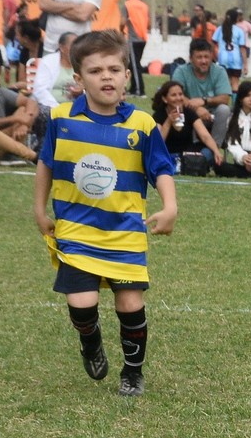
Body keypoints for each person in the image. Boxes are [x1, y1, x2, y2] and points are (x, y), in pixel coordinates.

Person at [34, 30, 176, 398]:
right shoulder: (61, 119)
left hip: (125, 231)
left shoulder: (141, 125)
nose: (107, 77)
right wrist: (39, 208)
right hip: (76, 228)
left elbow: (161, 168)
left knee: (129, 303)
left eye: (114, 68)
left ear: (127, 75)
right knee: (81, 305)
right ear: (79, 80)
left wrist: (170, 206)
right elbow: (45, 164)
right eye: (96, 71)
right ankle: (90, 342)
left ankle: (133, 371)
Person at [171, 38, 233, 147]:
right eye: (199, 57)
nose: (204, 61)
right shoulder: (181, 71)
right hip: (188, 114)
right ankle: (191, 150)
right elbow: (175, 95)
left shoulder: (219, 71)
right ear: (191, 58)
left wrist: (204, 100)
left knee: (224, 109)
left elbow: (225, 98)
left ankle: (213, 148)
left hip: (213, 116)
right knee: (177, 109)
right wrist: (195, 109)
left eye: (206, 57)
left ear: (211, 57)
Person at [152, 79, 223, 172]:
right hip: (168, 153)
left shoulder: (188, 112)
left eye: (180, 94)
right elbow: (158, 143)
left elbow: (204, 135)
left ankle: (190, 165)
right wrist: (169, 122)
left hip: (188, 153)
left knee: (208, 152)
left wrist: (216, 150)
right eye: (174, 95)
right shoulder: (159, 115)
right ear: (165, 99)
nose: (178, 98)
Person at [33, 32, 83, 111]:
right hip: (50, 107)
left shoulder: (83, 62)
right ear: (62, 48)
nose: (77, 49)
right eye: (73, 45)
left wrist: (82, 91)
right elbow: (40, 90)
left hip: (77, 107)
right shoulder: (48, 61)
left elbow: (90, 88)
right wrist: (58, 109)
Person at [123, 0, 150, 96]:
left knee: (134, 65)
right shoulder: (144, 6)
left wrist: (121, 31)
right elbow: (148, 23)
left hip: (133, 39)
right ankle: (133, 88)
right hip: (143, 38)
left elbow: (122, 21)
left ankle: (140, 91)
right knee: (133, 64)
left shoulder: (127, 5)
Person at [215, 7, 248, 90]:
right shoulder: (239, 31)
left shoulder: (219, 29)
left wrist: (215, 55)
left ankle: (223, 102)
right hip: (236, 60)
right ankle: (234, 102)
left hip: (222, 59)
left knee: (223, 83)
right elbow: (242, 49)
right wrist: (245, 64)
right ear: (236, 18)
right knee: (235, 84)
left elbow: (212, 43)